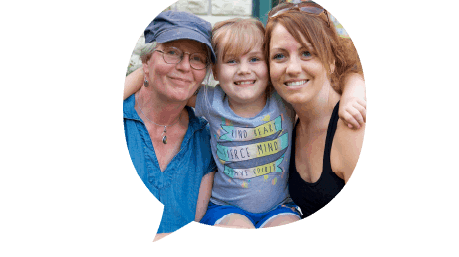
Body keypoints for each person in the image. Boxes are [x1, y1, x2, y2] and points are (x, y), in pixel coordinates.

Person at [124, 16, 366, 228]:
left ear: (269, 66)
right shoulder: (211, 100)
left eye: (254, 59)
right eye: (231, 61)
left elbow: (339, 67)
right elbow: (167, 81)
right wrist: (142, 71)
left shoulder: (281, 97)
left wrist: (355, 89)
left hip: (279, 207)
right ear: (215, 72)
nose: (243, 70)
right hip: (227, 208)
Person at [264, 0, 366, 219]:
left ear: (330, 60)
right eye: (279, 56)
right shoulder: (286, 118)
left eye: (307, 53)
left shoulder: (352, 125)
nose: (292, 69)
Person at [122, 11, 217, 242]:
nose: (185, 66)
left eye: (197, 58)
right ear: (146, 61)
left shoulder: (205, 139)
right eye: (172, 52)